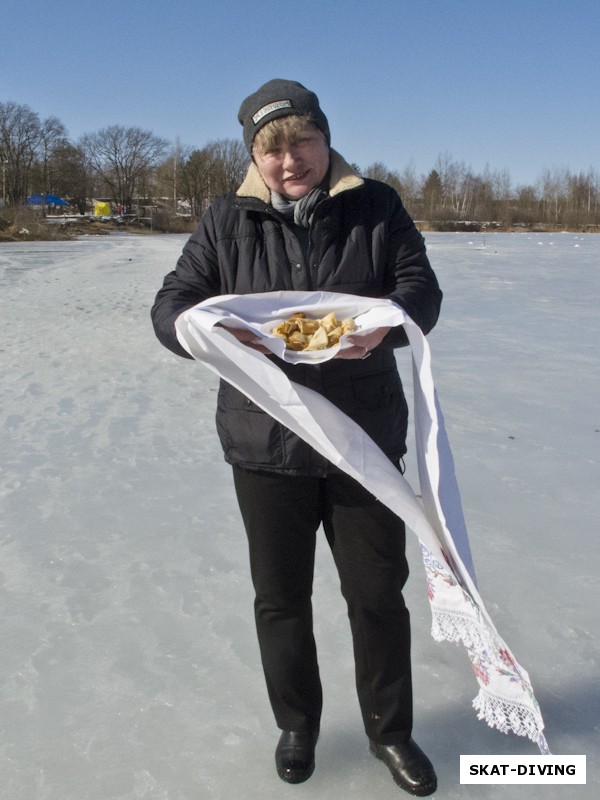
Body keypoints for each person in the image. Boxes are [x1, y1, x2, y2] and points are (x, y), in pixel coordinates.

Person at [151, 79, 442, 796]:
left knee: (376, 592)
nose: (291, 161)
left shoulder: (375, 206)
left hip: (363, 442)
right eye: (272, 149)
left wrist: (373, 331)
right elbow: (171, 307)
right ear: (254, 154)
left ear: (325, 139)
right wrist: (220, 335)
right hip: (266, 444)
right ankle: (298, 726)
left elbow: (420, 294)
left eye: (302, 142)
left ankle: (391, 732)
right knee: (280, 597)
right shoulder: (226, 220)